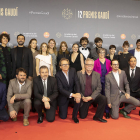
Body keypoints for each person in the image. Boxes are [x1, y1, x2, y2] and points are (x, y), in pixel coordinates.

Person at [77, 58, 107, 122]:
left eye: (91, 65)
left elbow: (99, 88)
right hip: (84, 97)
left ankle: (98, 116)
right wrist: (82, 97)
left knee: (103, 98)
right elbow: (77, 87)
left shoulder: (97, 75)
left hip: (93, 96)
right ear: (85, 65)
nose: (89, 66)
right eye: (87, 64)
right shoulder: (79, 74)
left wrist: (91, 97)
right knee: (82, 116)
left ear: (93, 66)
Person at [55, 58, 81, 123]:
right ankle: (61, 109)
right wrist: (73, 95)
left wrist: (77, 94)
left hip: (73, 93)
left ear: (69, 65)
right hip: (63, 95)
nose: (65, 66)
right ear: (60, 66)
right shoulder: (57, 75)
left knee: (78, 99)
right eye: (63, 65)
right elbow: (60, 89)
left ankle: (74, 116)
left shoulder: (73, 70)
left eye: (67, 64)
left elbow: (77, 82)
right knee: (63, 117)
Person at [93, 48, 112, 118]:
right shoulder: (95, 62)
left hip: (107, 81)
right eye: (100, 52)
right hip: (98, 82)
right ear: (98, 53)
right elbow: (93, 72)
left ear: (105, 53)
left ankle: (107, 111)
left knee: (106, 96)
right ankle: (100, 111)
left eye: (103, 52)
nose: (102, 54)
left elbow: (112, 70)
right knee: (100, 97)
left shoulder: (109, 61)